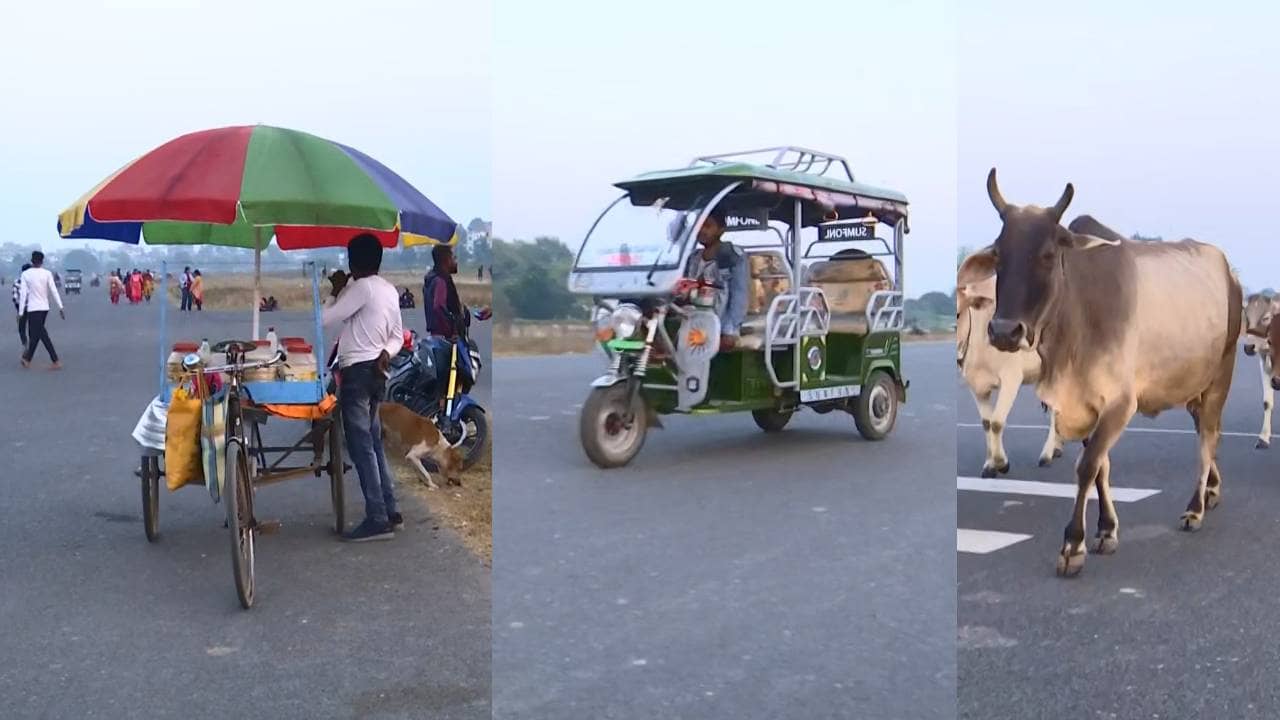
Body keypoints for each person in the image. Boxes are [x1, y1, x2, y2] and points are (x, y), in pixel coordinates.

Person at [322, 234, 405, 542]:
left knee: (361, 447)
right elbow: (397, 336)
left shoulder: (362, 288)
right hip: (376, 372)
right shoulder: (388, 289)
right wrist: (388, 352)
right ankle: (391, 510)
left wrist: (335, 291)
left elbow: (325, 319)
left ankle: (377, 518)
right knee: (373, 444)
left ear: (353, 262)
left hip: (357, 373)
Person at [682, 206, 748, 350]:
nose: (702, 230)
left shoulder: (733, 256)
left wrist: (729, 330)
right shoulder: (693, 258)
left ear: (721, 229)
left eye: (707, 226)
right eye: (699, 226)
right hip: (693, 321)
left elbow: (739, 295)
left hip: (719, 322)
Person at [18, 251, 64, 369]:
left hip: (33, 308)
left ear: (32, 261)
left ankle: (55, 360)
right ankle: (27, 359)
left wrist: (21, 312)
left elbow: (23, 294)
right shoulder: (47, 273)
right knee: (36, 334)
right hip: (44, 308)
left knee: (42, 334)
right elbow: (54, 290)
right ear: (42, 261)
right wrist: (60, 307)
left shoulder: (26, 274)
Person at [12, 263, 30, 347]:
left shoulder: (17, 282)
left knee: (21, 328)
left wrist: (19, 311)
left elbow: (15, 298)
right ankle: (32, 344)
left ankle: (25, 343)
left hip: (21, 308)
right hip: (34, 308)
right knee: (34, 327)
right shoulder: (35, 282)